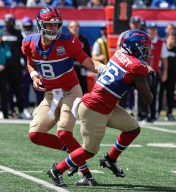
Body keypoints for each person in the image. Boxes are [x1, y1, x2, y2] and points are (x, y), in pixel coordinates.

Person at [47, 30, 155, 187]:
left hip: (106, 106)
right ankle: (57, 170)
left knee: (133, 129)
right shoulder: (137, 67)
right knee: (89, 150)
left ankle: (110, 159)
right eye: (145, 49)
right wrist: (149, 80)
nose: (147, 53)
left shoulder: (119, 54)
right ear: (135, 48)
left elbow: (127, 75)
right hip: (94, 109)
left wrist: (140, 78)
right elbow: (148, 99)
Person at [21, 6, 104, 187]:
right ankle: (74, 154)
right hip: (50, 95)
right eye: (49, 25)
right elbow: (31, 64)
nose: (53, 29)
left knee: (64, 131)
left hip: (70, 91)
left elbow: (88, 62)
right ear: (40, 25)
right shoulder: (29, 43)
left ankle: (86, 174)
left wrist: (105, 69)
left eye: (56, 25)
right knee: (35, 134)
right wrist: (34, 76)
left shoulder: (68, 41)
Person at [2, 13, 27, 119]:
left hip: (16, 66)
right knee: (4, 90)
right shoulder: (1, 33)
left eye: (10, 22)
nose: (8, 24)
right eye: (7, 22)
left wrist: (27, 64)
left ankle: (21, 110)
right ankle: (4, 111)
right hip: (4, 67)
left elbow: (23, 51)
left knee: (18, 89)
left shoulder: (18, 34)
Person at [68, 20, 91, 94]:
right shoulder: (66, 40)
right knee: (71, 89)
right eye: (72, 27)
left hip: (82, 66)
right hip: (70, 68)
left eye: (76, 26)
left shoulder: (84, 39)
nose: (74, 28)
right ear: (68, 29)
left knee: (83, 87)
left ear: (79, 28)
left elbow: (88, 54)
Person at [159, 33, 176, 121]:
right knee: (159, 94)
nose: (172, 40)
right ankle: (156, 112)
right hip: (162, 75)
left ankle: (169, 113)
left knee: (170, 95)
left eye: (174, 38)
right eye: (171, 38)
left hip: (172, 76)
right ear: (167, 39)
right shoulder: (163, 48)